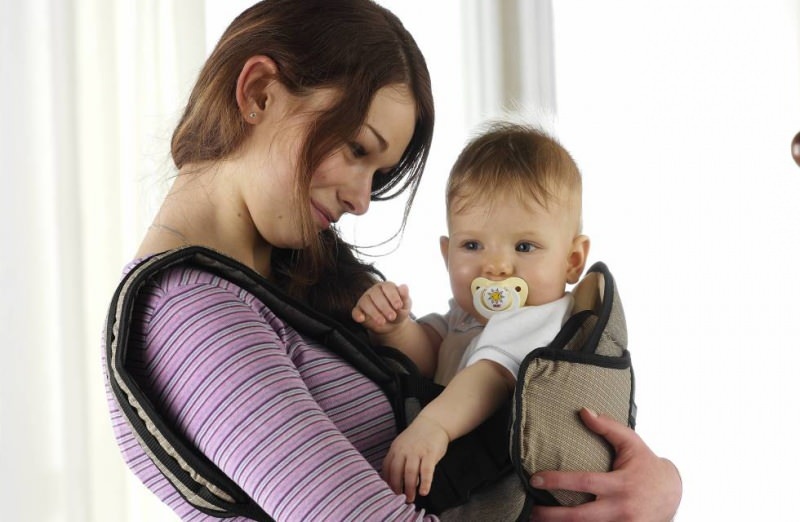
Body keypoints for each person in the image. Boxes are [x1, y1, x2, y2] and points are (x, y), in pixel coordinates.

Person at [101, 1, 682, 520]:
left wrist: (655, 488)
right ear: (258, 93)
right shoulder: (191, 312)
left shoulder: (290, 277)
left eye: (377, 175)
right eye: (356, 149)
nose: (360, 199)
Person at [352, 122, 592, 504]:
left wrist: (433, 426)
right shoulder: (468, 318)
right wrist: (395, 329)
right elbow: (430, 355)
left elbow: (490, 377)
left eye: (525, 247)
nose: (495, 267)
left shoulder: (544, 319)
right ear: (447, 255)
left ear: (572, 261)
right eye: (473, 244)